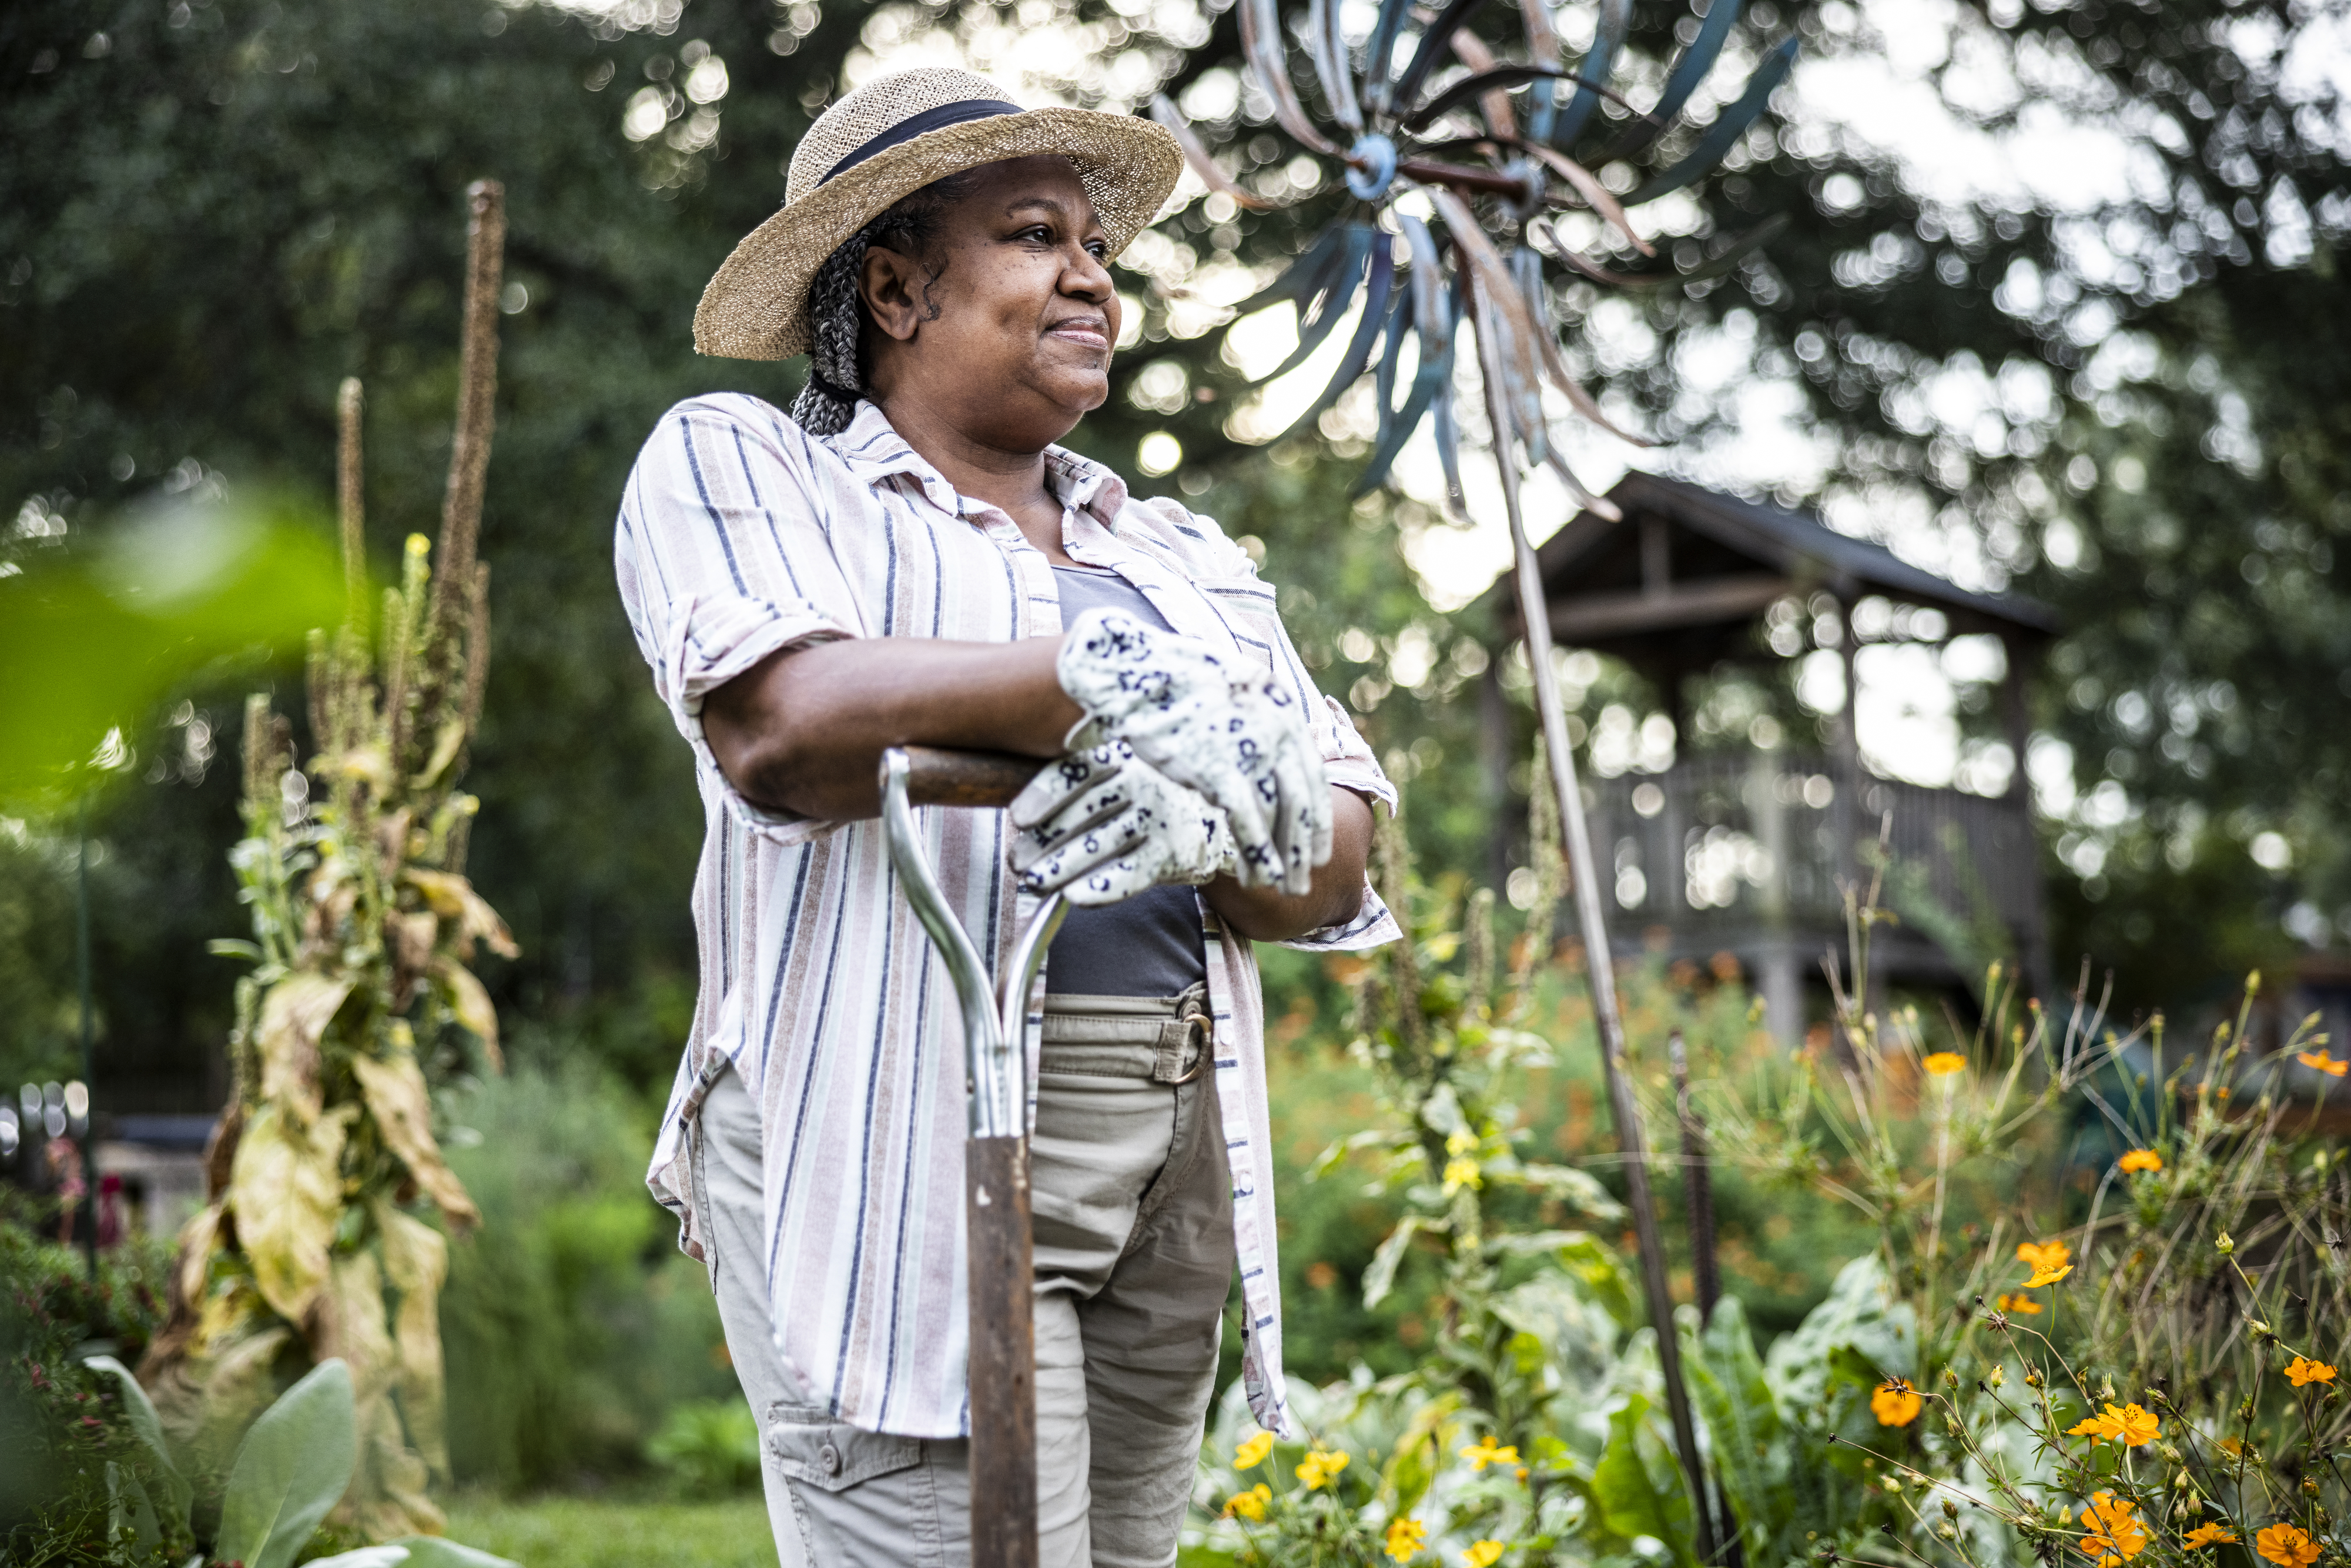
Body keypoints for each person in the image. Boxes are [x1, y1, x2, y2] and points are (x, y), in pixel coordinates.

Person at [614, 67, 1396, 1568]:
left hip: (1165, 1134)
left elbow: (1335, 845)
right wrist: (1097, 689)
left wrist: (1245, 816)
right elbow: (783, 726)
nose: (1092, 273)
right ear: (897, 288)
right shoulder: (752, 466)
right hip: (910, 1106)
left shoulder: (1174, 551)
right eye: (1037, 235)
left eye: (1097, 244)